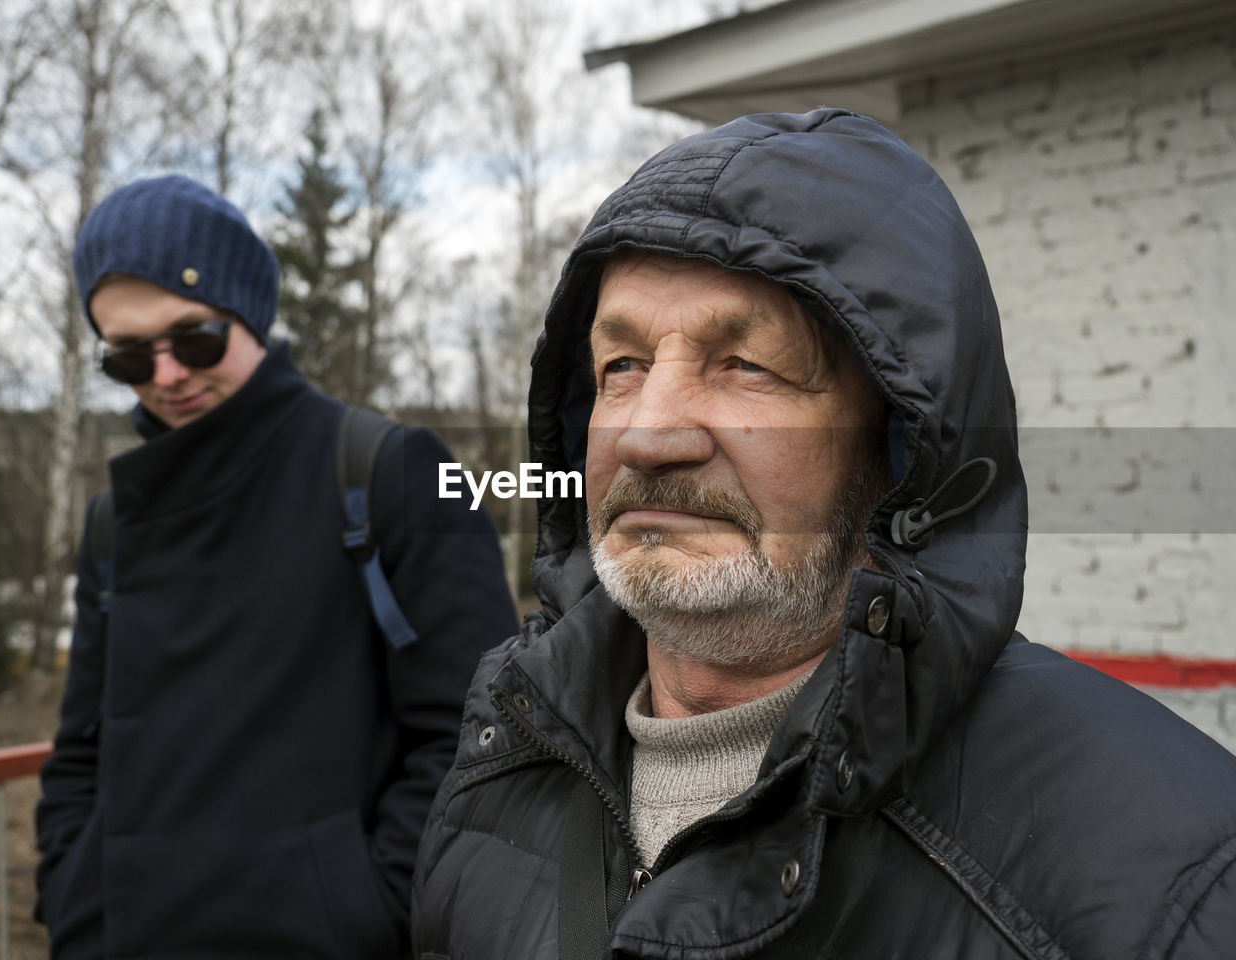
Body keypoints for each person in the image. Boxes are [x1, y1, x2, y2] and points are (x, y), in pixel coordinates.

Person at [410, 109, 1236, 958]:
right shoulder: (503, 760)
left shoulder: (1167, 889)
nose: (648, 434)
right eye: (622, 366)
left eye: (745, 366)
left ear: (904, 450)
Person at [34, 175, 519, 959]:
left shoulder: (390, 472)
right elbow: (79, 751)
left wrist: (366, 910)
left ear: (249, 313)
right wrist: (76, 898)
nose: (167, 377)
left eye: (195, 339)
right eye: (128, 358)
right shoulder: (111, 527)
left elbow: (477, 735)